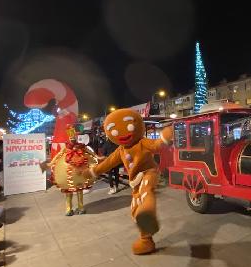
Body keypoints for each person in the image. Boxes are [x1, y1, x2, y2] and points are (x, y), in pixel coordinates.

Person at [84, 108, 173, 255]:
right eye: (113, 131)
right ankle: (146, 239)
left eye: (129, 125)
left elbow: (157, 145)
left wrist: (164, 137)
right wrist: (92, 171)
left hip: (148, 173)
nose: (120, 133)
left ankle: (148, 212)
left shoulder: (142, 142)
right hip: (135, 182)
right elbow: (107, 164)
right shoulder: (120, 150)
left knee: (146, 192)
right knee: (135, 208)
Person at [41, 125, 100, 216]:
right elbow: (58, 155)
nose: (73, 138)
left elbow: (90, 152)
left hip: (80, 175)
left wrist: (97, 157)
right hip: (67, 176)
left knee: (79, 191)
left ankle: (81, 207)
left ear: (76, 137)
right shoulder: (66, 148)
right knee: (68, 193)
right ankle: (69, 209)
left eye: (74, 137)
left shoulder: (81, 147)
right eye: (71, 137)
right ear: (69, 138)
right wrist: (51, 163)